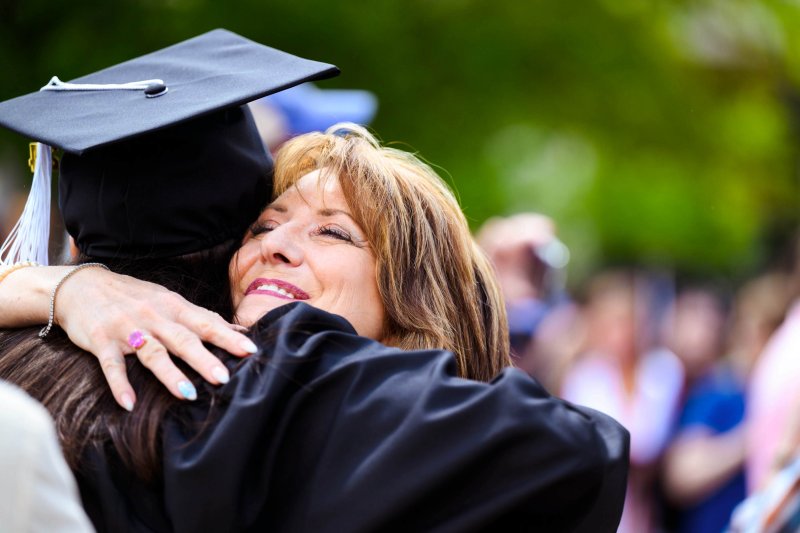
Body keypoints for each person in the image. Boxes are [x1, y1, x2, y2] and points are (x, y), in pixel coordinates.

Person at [0, 31, 629, 532]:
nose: (276, 245)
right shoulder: (257, 386)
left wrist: (47, 289)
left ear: (416, 296)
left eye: (333, 233)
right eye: (263, 225)